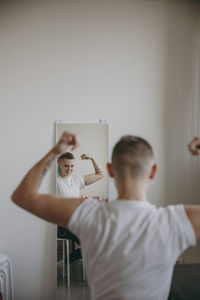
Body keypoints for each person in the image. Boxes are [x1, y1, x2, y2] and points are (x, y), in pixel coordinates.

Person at [11, 132, 200, 300]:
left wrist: (54, 151)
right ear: (153, 171)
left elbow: (23, 196)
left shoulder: (87, 213)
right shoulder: (175, 221)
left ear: (110, 170)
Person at [56, 151, 104, 263]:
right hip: (63, 225)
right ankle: (63, 264)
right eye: (66, 166)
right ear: (59, 164)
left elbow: (100, 174)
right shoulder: (55, 182)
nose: (69, 169)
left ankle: (63, 263)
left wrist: (91, 158)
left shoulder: (77, 180)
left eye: (72, 166)